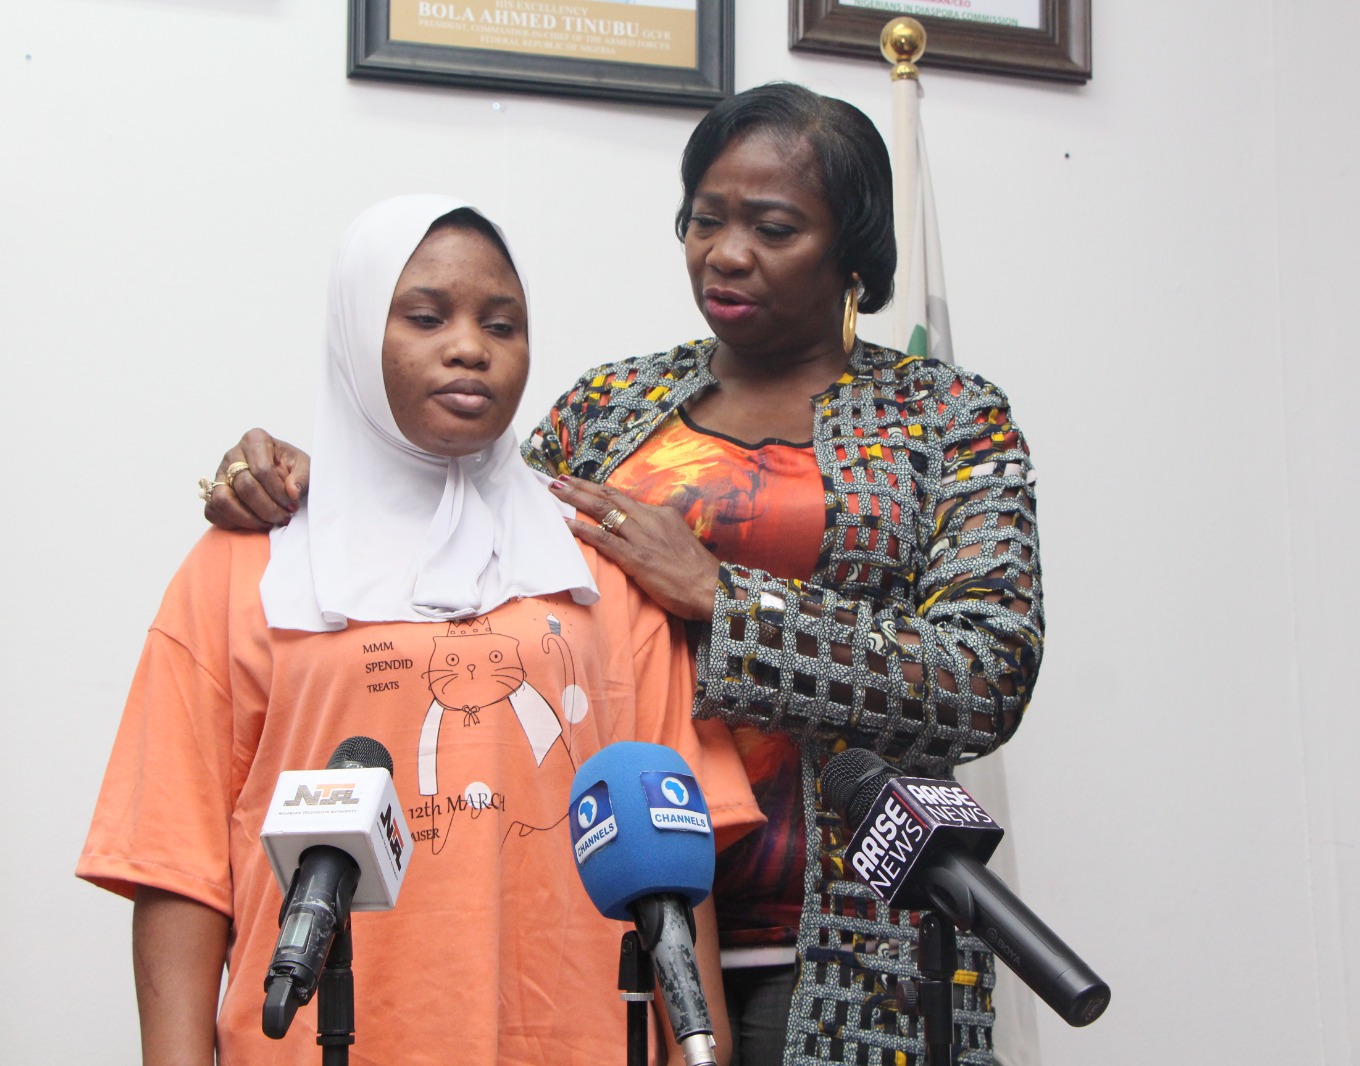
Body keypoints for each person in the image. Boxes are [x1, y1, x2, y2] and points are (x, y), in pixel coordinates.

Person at [204, 83, 1043, 1066]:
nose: (726, 253)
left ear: (853, 249)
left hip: (846, 944)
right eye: (705, 219)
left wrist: (724, 600)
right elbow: (467, 533)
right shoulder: (609, 405)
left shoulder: (948, 417)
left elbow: (985, 674)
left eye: (772, 228)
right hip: (606, 924)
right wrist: (333, 480)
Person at [78, 195, 763, 1066]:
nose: (470, 346)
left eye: (502, 324)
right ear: (357, 334)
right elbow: (177, 864)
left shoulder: (602, 567)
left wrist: (707, 1051)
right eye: (426, 317)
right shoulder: (246, 565)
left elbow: (675, 849)